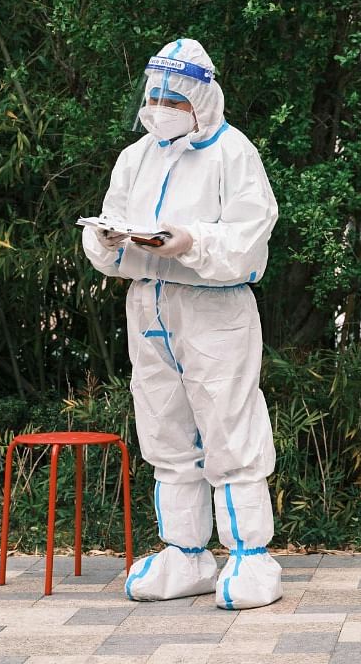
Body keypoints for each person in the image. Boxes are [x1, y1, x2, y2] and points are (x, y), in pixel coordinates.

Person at [82, 39, 283, 610]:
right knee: (164, 429)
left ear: (201, 97)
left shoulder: (233, 153)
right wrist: (107, 240)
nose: (160, 106)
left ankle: (250, 556)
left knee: (230, 427)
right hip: (148, 306)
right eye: (154, 96)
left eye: (173, 97)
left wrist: (192, 241)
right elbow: (112, 223)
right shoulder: (136, 157)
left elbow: (250, 234)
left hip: (214, 309)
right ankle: (185, 552)